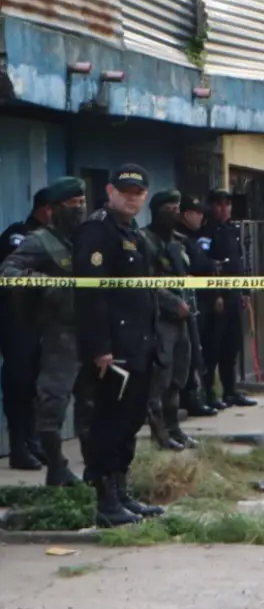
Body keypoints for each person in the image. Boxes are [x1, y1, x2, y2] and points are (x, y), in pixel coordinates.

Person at [73, 165, 164, 527]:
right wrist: (99, 347)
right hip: (113, 349)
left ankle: (121, 492)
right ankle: (105, 499)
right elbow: (90, 295)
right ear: (109, 191)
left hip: (138, 344)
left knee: (129, 421)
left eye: (138, 192)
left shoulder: (133, 233)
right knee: (108, 424)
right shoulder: (98, 230)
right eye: (125, 190)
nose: (131, 196)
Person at [0, 178, 89, 485]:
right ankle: (56, 465)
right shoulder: (41, 241)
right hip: (58, 333)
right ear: (54, 210)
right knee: (52, 403)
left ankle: (97, 471)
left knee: (92, 405)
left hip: (93, 332)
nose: (79, 209)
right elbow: (9, 271)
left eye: (82, 203)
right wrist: (43, 283)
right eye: (72, 205)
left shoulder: (90, 239)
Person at [141, 190, 201, 451]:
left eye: (177, 208)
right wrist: (172, 304)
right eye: (169, 209)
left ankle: (175, 428)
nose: (174, 213)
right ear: (156, 211)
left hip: (183, 318)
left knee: (179, 375)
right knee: (160, 377)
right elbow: (146, 282)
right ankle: (159, 434)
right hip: (158, 318)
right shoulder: (143, 241)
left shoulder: (178, 241)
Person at [0, 188, 53, 469]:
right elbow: (11, 277)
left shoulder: (55, 239)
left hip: (41, 321)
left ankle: (33, 443)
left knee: (35, 385)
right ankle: (19, 447)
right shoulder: (20, 235)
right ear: (45, 209)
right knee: (19, 383)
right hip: (17, 321)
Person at [197, 189, 256, 410]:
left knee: (232, 347)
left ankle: (230, 391)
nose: (224, 209)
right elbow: (205, 265)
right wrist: (216, 295)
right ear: (211, 207)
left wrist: (245, 292)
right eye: (220, 205)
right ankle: (209, 393)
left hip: (234, 295)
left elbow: (240, 265)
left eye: (227, 205)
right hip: (217, 297)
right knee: (214, 347)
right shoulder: (207, 231)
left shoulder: (233, 230)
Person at [176, 194, 217, 418]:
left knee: (197, 353)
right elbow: (195, 264)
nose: (201, 217)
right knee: (189, 354)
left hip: (196, 302)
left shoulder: (192, 237)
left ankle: (198, 396)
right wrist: (209, 265)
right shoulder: (180, 239)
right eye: (197, 213)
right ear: (186, 214)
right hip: (185, 302)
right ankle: (190, 398)